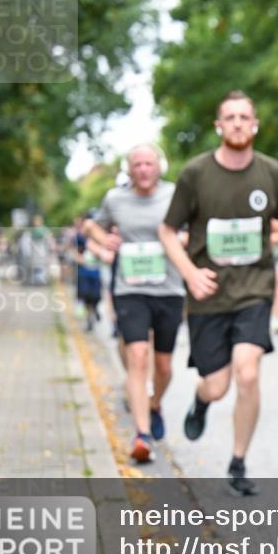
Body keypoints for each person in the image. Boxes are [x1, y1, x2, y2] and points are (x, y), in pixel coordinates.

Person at [160, 90, 278, 496]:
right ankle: (202, 400)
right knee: (217, 385)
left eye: (244, 117)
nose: (238, 123)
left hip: (255, 289)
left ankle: (238, 462)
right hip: (208, 294)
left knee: (248, 372)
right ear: (218, 126)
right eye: (230, 117)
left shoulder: (272, 172)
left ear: (255, 124)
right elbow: (167, 231)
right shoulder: (195, 173)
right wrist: (190, 273)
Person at [85, 143, 184, 464]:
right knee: (138, 355)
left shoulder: (175, 195)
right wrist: (104, 240)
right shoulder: (115, 199)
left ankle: (154, 405)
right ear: (129, 169)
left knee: (164, 366)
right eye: (137, 164)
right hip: (130, 288)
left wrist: (182, 239)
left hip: (169, 289)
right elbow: (91, 226)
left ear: (159, 167)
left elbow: (193, 228)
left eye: (148, 163)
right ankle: (142, 434)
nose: (143, 169)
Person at [73, 213, 104, 333]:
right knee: (86, 296)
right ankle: (89, 319)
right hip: (84, 271)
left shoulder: (100, 237)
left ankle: (94, 310)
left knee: (96, 297)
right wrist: (79, 258)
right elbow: (75, 251)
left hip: (96, 272)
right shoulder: (80, 237)